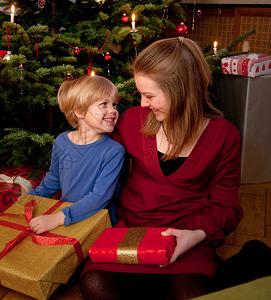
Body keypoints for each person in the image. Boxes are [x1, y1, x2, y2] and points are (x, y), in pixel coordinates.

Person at [80, 37, 244, 300]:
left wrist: (196, 235)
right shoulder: (133, 121)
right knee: (96, 286)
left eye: (149, 95)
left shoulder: (224, 136)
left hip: (187, 232)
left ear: (180, 91)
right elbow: (98, 170)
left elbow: (226, 205)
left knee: (191, 293)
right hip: (132, 229)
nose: (143, 104)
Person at [27, 75, 125, 235]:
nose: (112, 111)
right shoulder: (62, 142)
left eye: (114, 105)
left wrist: (58, 218)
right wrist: (28, 199)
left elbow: (99, 198)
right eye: (104, 104)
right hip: (66, 216)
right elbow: (52, 181)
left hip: (96, 221)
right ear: (80, 111)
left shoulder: (113, 152)